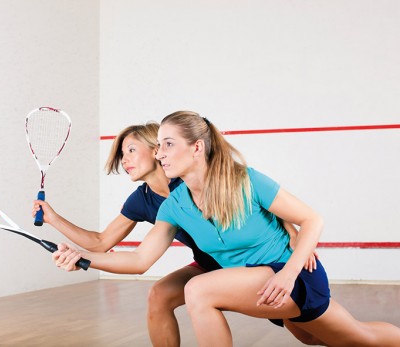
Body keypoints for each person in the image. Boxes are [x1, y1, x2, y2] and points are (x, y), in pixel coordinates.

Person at [52, 111, 400, 346]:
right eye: (159, 148)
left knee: (363, 339)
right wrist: (84, 257)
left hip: (292, 278)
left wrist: (289, 272)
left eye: (168, 145)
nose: (160, 155)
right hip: (253, 285)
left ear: (197, 147)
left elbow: (312, 220)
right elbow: (140, 260)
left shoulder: (243, 180)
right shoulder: (174, 206)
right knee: (333, 338)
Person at [33, 121, 314, 347]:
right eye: (122, 154)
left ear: (155, 149)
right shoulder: (142, 200)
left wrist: (294, 234)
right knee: (159, 295)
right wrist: (53, 219)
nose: (124, 159)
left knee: (310, 337)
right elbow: (102, 242)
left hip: (256, 266)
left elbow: (247, 193)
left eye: (131, 150)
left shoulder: (191, 174)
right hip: (209, 267)